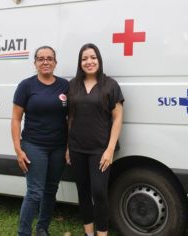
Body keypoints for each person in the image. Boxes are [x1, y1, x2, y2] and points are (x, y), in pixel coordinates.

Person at [11, 46, 69, 236]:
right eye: (41, 59)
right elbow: (16, 119)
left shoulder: (64, 86)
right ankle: (24, 233)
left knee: (51, 190)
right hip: (34, 145)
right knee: (35, 192)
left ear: (55, 62)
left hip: (58, 147)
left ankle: (42, 228)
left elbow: (72, 118)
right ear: (35, 62)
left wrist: (68, 146)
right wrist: (19, 150)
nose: (45, 62)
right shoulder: (26, 86)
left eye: (49, 58)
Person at [67, 43, 124, 236]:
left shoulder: (110, 85)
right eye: (84, 59)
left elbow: (117, 118)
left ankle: (102, 233)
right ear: (80, 62)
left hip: (100, 149)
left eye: (93, 57)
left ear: (99, 60)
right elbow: (70, 118)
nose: (89, 62)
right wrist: (68, 147)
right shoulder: (72, 85)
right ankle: (88, 233)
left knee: (99, 192)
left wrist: (110, 149)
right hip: (77, 148)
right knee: (83, 192)